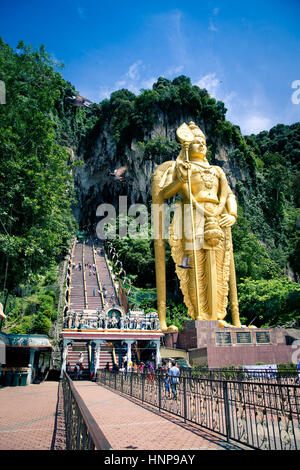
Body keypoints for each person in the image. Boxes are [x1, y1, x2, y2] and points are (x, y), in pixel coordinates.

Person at [152, 121, 241, 331]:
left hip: (218, 219)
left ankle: (219, 314)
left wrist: (232, 214)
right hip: (192, 217)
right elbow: (164, 194)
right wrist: (180, 180)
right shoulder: (182, 167)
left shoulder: (217, 170)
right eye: (196, 142)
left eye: (203, 142)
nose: (201, 145)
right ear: (187, 145)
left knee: (220, 268)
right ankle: (200, 314)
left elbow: (228, 195)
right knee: (194, 267)